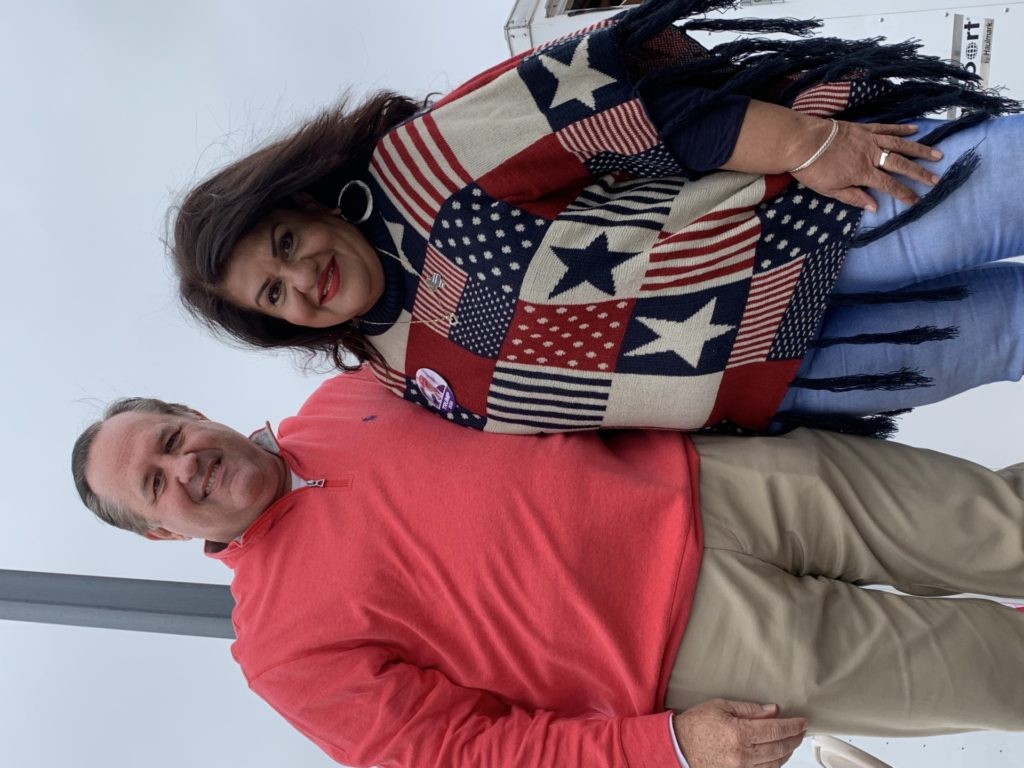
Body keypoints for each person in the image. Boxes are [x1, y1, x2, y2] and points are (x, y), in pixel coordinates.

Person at [72, 369, 1024, 768]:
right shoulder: (278, 648)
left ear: (191, 411)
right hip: (705, 652)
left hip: (728, 480)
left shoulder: (355, 387)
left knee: (1003, 519)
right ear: (159, 533)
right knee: (999, 671)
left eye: (169, 436)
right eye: (155, 484)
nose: (183, 463)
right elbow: (461, 755)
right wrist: (670, 747)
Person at [170, 0, 1024, 439]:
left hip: (799, 226)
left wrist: (808, 144)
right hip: (796, 374)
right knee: (1016, 338)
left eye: (285, 245)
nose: (303, 279)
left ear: (306, 202)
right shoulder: (401, 379)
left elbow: (624, 106)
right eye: (275, 296)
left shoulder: (419, 165)